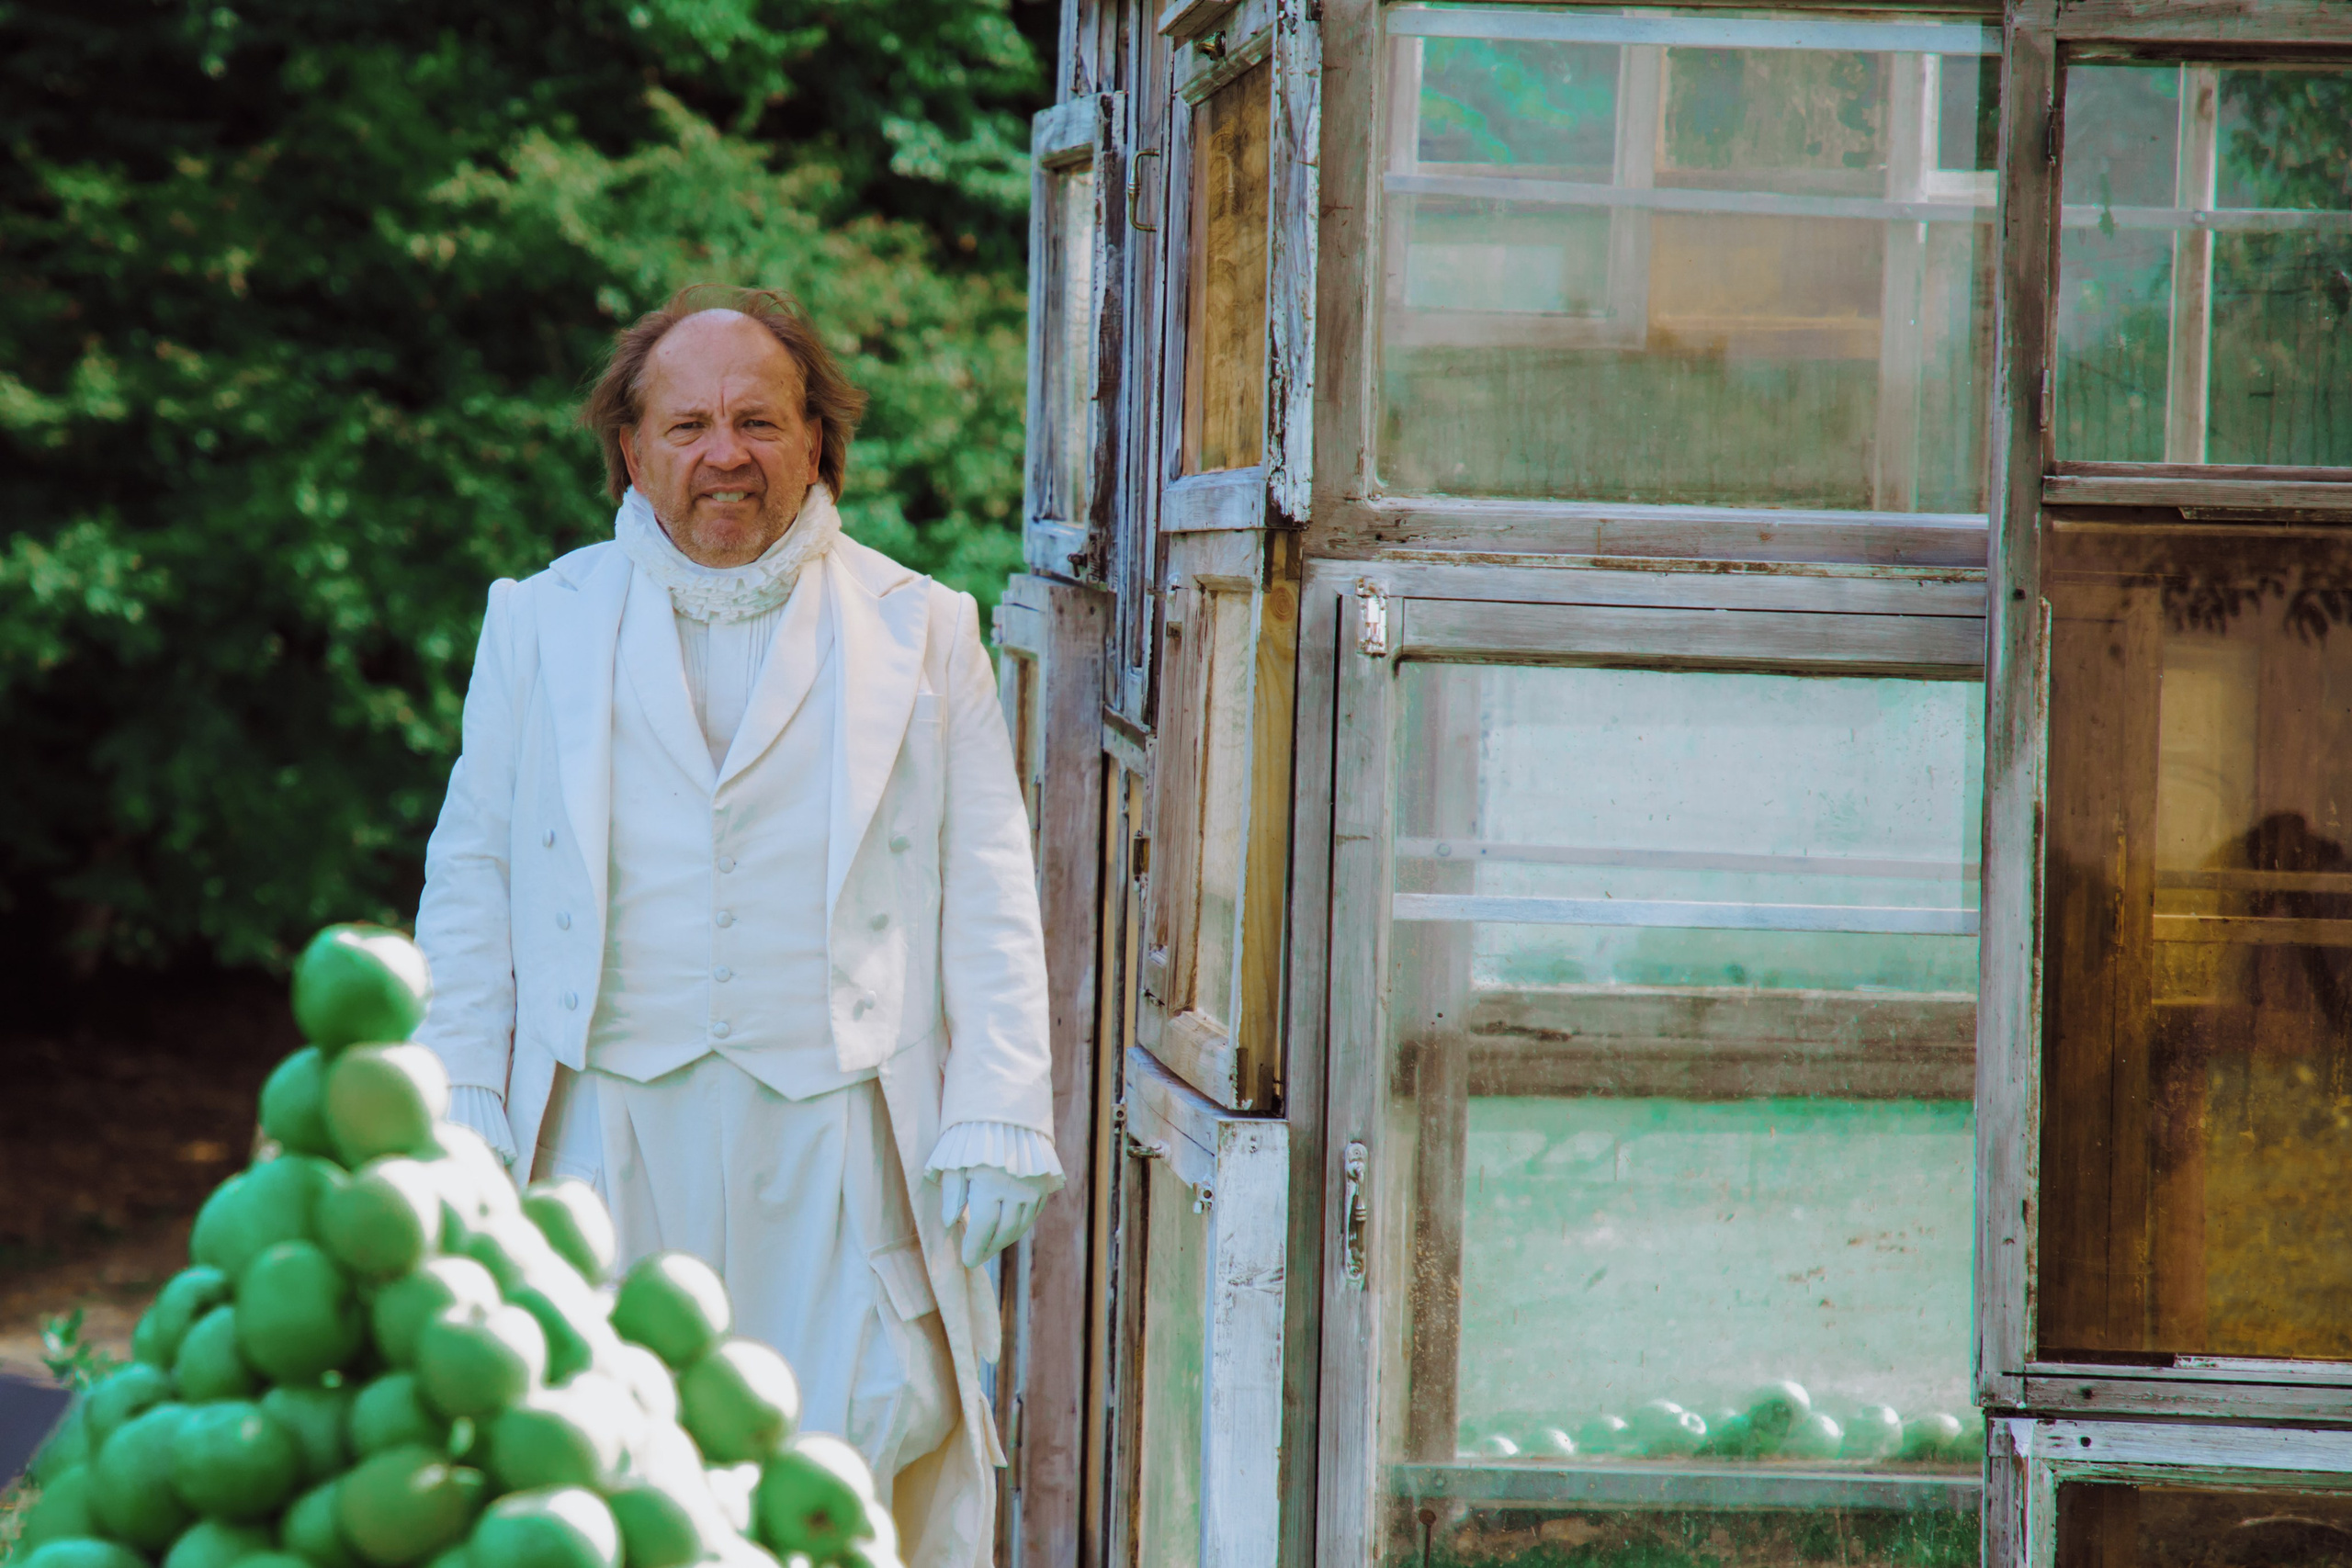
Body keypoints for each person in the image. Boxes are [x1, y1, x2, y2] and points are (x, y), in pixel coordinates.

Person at [412, 285, 1058, 1568]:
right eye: (690, 423)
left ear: (818, 439)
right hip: (602, 1123)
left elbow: (990, 878)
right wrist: (462, 1092)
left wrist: (1002, 1100)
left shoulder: (923, 628)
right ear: (632, 448)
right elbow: (473, 871)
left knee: (842, 1459)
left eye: (760, 422)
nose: (726, 454)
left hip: (831, 1127)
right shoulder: (536, 621)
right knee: (594, 1466)